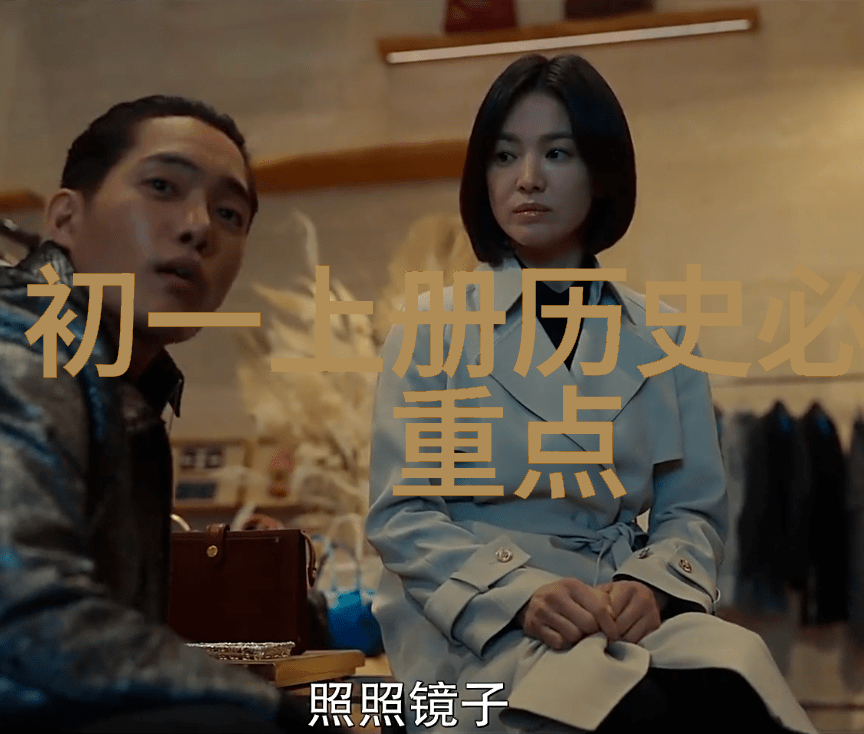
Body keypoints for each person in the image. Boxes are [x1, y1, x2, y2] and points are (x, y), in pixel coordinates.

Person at [366, 55, 818, 734]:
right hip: (476, 630)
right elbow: (403, 516)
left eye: (557, 153)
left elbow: (691, 509)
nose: (527, 178)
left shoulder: (661, 333)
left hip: (618, 614)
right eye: (504, 156)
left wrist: (653, 587)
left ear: (601, 172)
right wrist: (521, 594)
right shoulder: (431, 330)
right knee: (633, 713)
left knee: (736, 690)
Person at [0, 96, 320, 733]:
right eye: (162, 187)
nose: (200, 227)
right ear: (65, 217)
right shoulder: (23, 343)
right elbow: (23, 611)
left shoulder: (123, 380)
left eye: (229, 214)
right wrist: (281, 713)